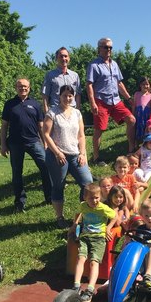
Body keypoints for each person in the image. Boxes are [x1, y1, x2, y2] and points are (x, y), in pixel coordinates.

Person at [43, 85, 94, 228]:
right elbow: (46, 134)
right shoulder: (52, 112)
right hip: (57, 155)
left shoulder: (77, 113)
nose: (67, 98)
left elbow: (81, 135)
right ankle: (59, 217)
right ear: (59, 96)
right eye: (65, 95)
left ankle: (83, 215)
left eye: (70, 96)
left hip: (75, 154)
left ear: (73, 97)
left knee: (87, 183)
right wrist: (57, 153)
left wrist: (83, 153)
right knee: (58, 186)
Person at [0, 78, 52, 212]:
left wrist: (45, 143)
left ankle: (50, 197)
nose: (23, 88)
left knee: (46, 167)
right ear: (16, 88)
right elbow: (4, 126)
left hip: (34, 141)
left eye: (25, 86)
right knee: (17, 173)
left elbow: (41, 126)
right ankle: (19, 202)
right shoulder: (9, 104)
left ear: (29, 88)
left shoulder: (35, 104)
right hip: (15, 143)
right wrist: (3, 145)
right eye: (20, 86)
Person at [86, 37, 136, 165]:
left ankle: (131, 149)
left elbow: (119, 83)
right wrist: (92, 103)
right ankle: (96, 157)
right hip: (101, 100)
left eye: (110, 47)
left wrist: (129, 98)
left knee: (131, 120)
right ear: (99, 49)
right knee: (100, 129)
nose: (108, 50)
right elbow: (89, 85)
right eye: (106, 47)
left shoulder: (114, 64)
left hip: (116, 100)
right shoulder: (94, 65)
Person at [69, 183, 117, 302]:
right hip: (85, 237)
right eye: (91, 198)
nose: (95, 200)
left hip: (98, 238)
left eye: (97, 197)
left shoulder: (103, 208)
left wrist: (108, 227)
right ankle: (76, 285)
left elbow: (115, 216)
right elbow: (78, 214)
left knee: (93, 262)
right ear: (85, 198)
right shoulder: (83, 206)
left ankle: (90, 289)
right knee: (80, 259)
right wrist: (75, 225)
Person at [41, 46, 81, 111]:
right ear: (56, 59)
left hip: (72, 110)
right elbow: (45, 94)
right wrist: (46, 111)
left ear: (69, 58)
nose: (63, 58)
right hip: (56, 110)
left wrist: (78, 110)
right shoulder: (50, 75)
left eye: (65, 56)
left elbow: (78, 95)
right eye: (61, 56)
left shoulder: (75, 75)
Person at [132, 77, 151, 142]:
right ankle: (137, 141)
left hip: (147, 114)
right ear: (140, 85)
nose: (145, 86)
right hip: (138, 114)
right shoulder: (137, 94)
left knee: (146, 127)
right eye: (143, 84)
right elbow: (134, 105)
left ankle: (146, 141)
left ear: (150, 85)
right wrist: (133, 114)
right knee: (138, 127)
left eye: (147, 84)